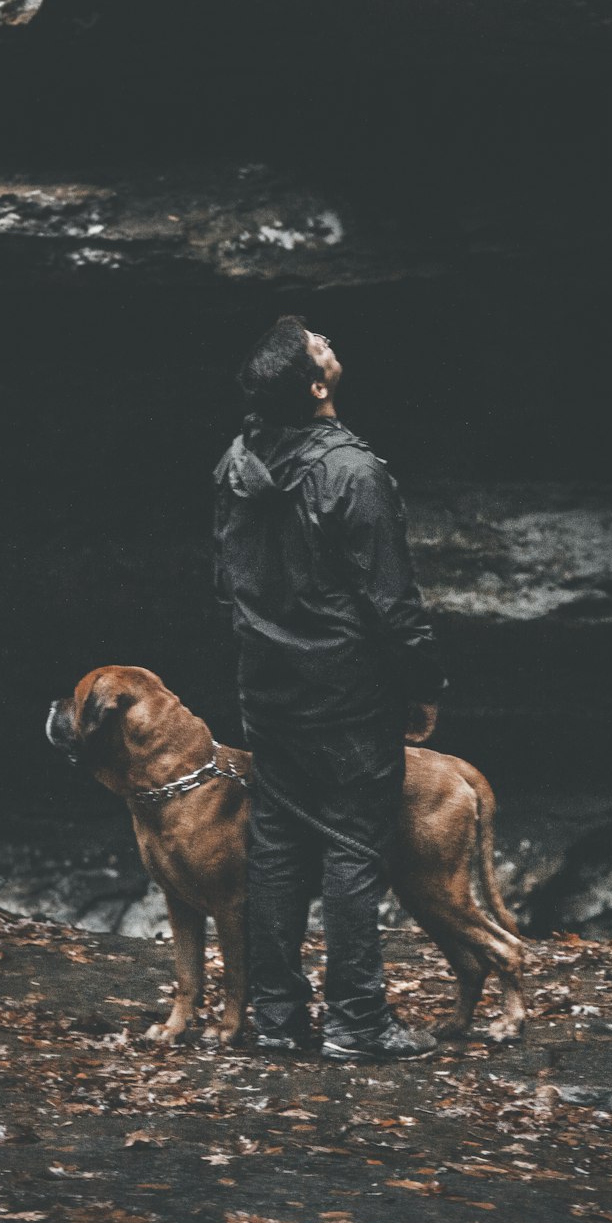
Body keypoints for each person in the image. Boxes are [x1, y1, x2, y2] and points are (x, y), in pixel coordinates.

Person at [212, 314, 446, 1061]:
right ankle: (357, 1022)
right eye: (320, 347)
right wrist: (422, 685)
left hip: (269, 690)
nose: (328, 341)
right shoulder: (353, 473)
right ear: (317, 387)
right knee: (352, 849)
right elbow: (393, 602)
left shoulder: (235, 462)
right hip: (347, 696)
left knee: (277, 847)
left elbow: (227, 583)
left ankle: (278, 1021)